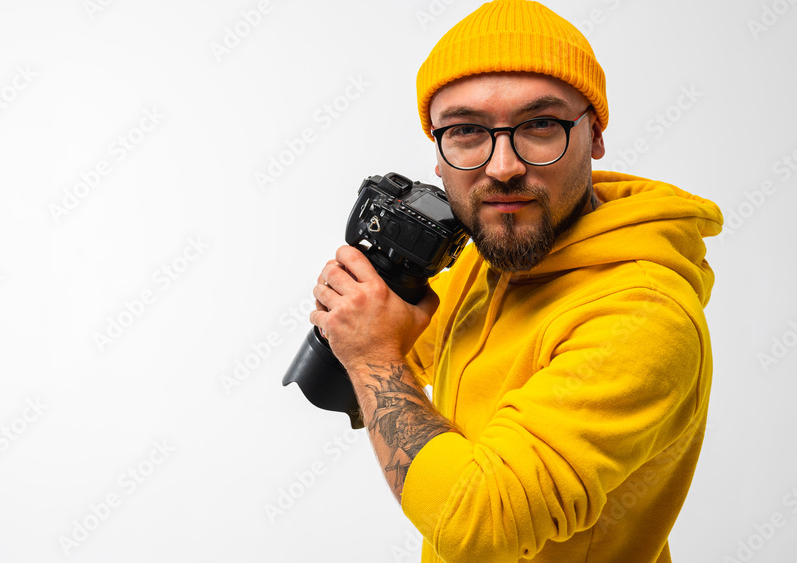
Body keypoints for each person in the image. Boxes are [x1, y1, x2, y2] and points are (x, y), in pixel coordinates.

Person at [309, 1, 723, 561]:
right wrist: (377, 299)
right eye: (466, 131)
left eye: (540, 125)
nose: (502, 166)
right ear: (438, 153)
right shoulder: (497, 249)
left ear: (595, 134)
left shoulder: (644, 318)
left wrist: (372, 358)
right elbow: (408, 351)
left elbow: (478, 526)